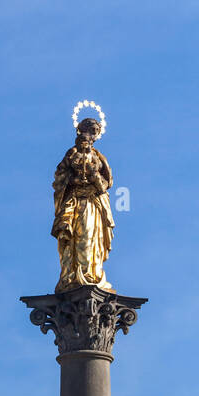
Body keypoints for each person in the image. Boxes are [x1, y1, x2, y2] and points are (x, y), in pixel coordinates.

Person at [51, 118, 114, 291]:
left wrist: (95, 178)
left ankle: (93, 274)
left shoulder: (99, 156)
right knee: (80, 238)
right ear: (81, 131)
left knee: (95, 239)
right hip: (77, 203)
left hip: (94, 203)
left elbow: (107, 182)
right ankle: (75, 274)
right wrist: (74, 179)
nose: (92, 135)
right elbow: (60, 178)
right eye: (89, 131)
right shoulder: (72, 153)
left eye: (95, 132)